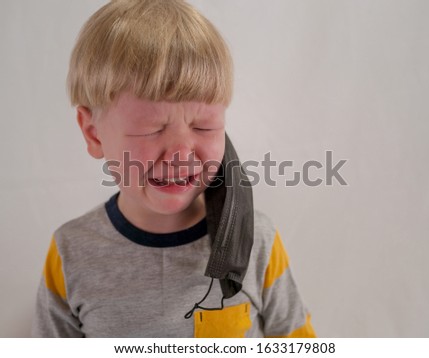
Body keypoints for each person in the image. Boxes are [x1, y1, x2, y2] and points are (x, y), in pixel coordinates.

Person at [32, 0, 316, 338]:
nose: (182, 155)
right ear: (94, 133)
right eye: (151, 129)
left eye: (203, 127)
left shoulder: (257, 240)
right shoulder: (70, 252)